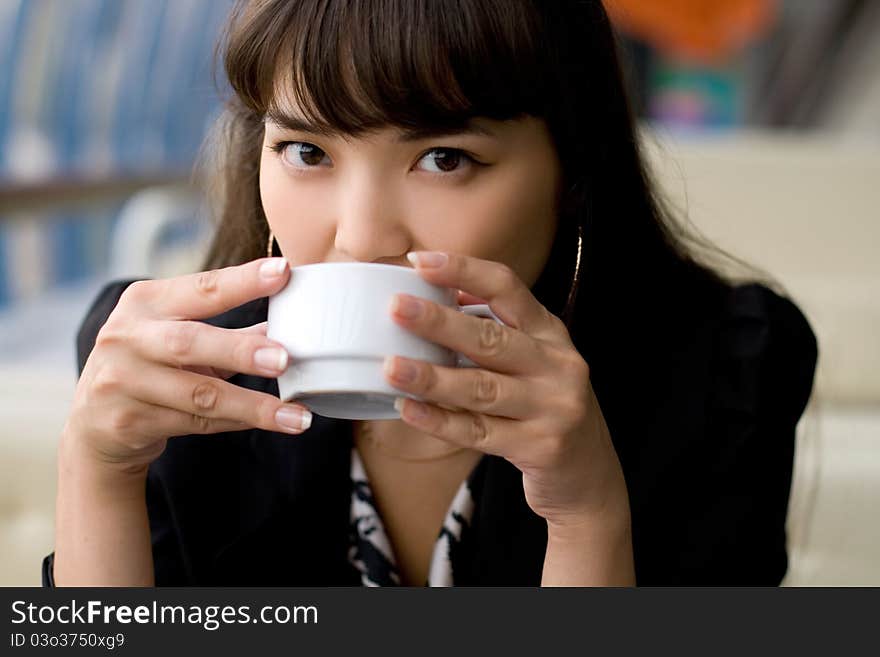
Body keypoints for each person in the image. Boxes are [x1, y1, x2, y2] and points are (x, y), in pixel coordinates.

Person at [44, 0, 817, 587]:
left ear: (573, 177)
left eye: (445, 158)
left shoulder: (727, 372)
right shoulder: (168, 364)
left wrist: (585, 516)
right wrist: (98, 475)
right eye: (307, 150)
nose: (360, 235)